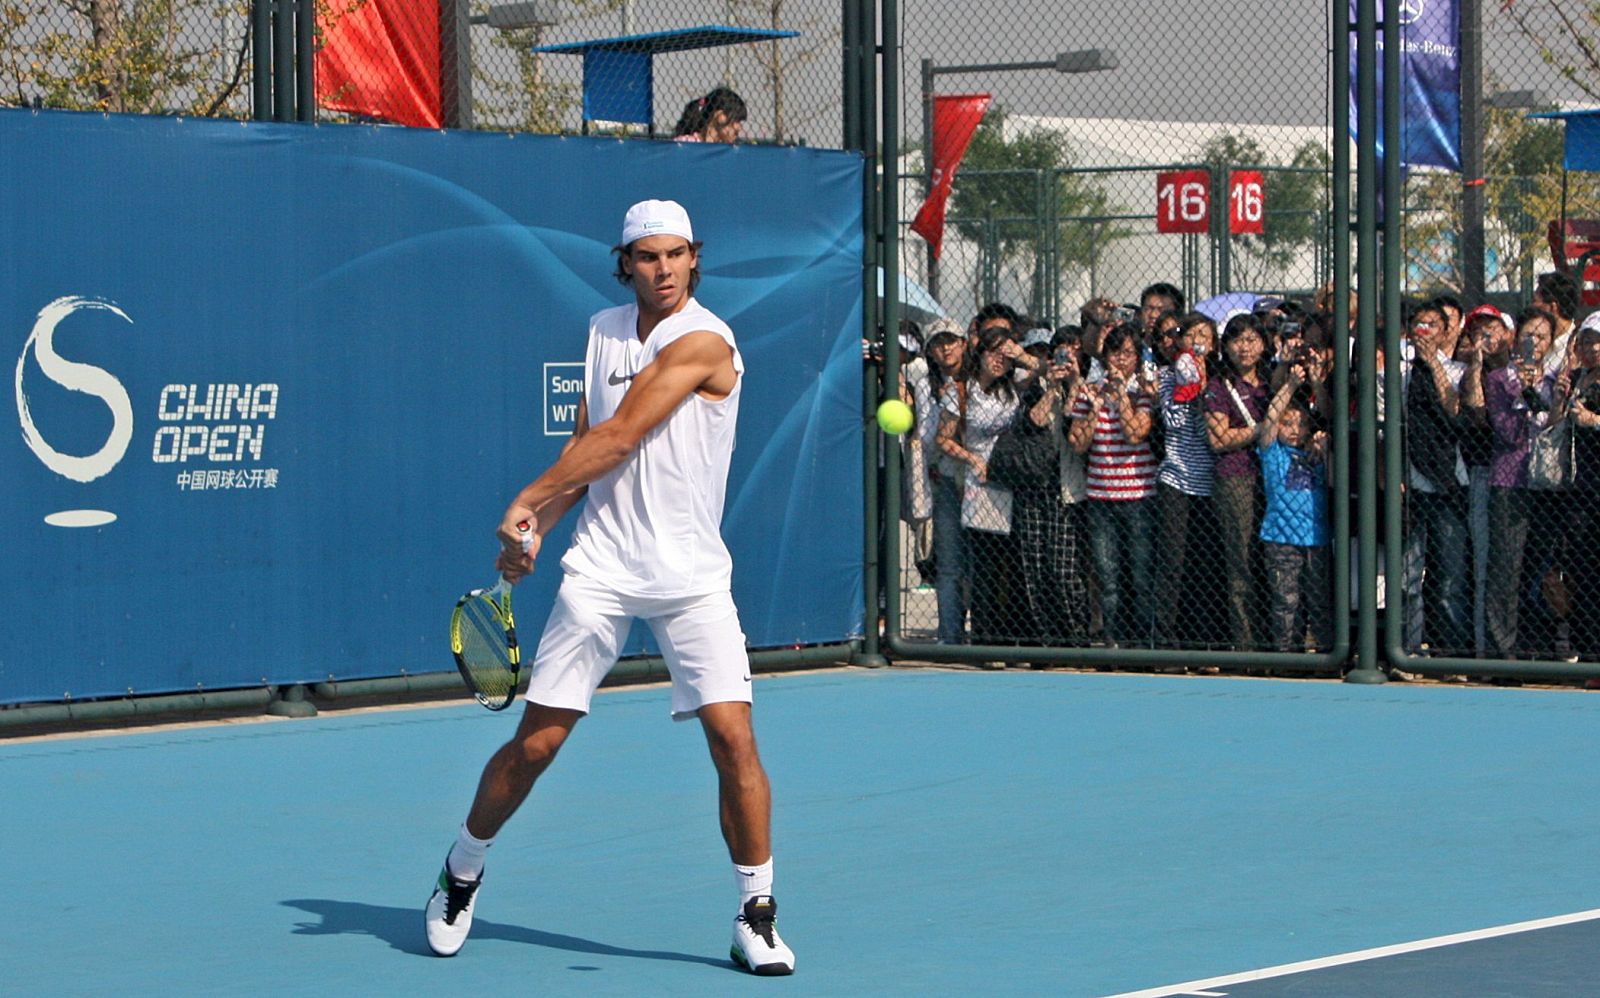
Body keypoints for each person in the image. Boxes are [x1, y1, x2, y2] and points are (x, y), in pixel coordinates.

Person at [424, 199, 795, 976]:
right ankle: (461, 870)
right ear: (624, 263)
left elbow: (626, 432)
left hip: (693, 578)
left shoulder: (707, 341)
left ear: (695, 257)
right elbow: (590, 446)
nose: (661, 270)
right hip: (601, 570)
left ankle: (755, 914)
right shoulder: (599, 330)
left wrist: (524, 498)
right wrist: (541, 530)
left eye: (674, 255)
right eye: (646, 257)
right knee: (536, 746)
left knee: (734, 741)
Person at [1069, 324, 1159, 647]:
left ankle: (1143, 642)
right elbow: (1078, 443)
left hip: (1139, 495)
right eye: (1115, 352)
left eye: (1128, 353)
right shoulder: (1090, 390)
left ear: (1137, 358)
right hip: (1101, 495)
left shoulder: (1143, 392)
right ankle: (1113, 641)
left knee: (1140, 575)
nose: (1121, 360)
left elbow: (1136, 433)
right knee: (1107, 578)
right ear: (1105, 356)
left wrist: (1121, 395)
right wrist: (1093, 409)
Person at [937, 326, 1022, 648]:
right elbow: (942, 439)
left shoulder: (1012, 389)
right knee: (985, 565)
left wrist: (1020, 355)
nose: (999, 360)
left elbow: (1042, 371)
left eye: (1005, 353)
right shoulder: (961, 390)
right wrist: (972, 459)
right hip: (980, 484)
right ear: (980, 353)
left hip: (1012, 480)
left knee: (1010, 564)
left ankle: (1008, 636)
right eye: (993, 352)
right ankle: (985, 637)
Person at [1485, 307, 1559, 661]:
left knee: (1539, 566)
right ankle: (1504, 651)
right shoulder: (1499, 379)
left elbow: (1554, 426)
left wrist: (1542, 394)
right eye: (1529, 334)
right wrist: (1524, 392)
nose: (1536, 342)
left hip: (1546, 484)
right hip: (1510, 481)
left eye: (1542, 336)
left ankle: (1537, 646)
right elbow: (1510, 432)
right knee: (1505, 567)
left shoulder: (1556, 380)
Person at [1205, 313, 1272, 650]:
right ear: (1226, 346)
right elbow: (1217, 439)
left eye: (1251, 339)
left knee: (1272, 560)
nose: (1245, 348)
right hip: (1235, 479)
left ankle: (1277, 642)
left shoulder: (1272, 380)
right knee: (1241, 561)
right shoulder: (1219, 386)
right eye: (1237, 340)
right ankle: (1246, 645)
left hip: (1273, 478)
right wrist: (1258, 431)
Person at [1257, 369, 1333, 652]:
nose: (1292, 429)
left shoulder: (1316, 454)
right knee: (1285, 600)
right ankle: (1287, 653)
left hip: (1316, 537)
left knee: (1318, 600)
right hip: (1281, 538)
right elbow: (1269, 421)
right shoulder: (1273, 453)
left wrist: (1324, 450)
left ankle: (1326, 652)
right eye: (1287, 423)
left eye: (1300, 424)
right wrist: (1290, 384)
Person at [1153, 312, 1218, 647]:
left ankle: (1202, 641)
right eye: (1192, 336)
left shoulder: (1219, 379)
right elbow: (1173, 421)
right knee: (1172, 562)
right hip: (1176, 479)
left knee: (1203, 564)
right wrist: (1189, 388)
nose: (1198, 342)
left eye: (1204, 336)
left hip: (1209, 482)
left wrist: (1206, 388)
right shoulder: (1168, 375)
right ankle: (1164, 639)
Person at [921, 322, 970, 643]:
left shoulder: (980, 378)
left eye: (951, 341)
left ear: (964, 343)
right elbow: (928, 438)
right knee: (950, 564)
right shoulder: (926, 384)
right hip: (949, 481)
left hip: (983, 483)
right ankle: (949, 636)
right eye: (938, 343)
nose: (946, 348)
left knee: (982, 565)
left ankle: (984, 634)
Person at [673, 87, 747, 143]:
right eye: (736, 120)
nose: (739, 127)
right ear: (720, 116)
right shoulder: (686, 143)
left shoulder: (728, 150)